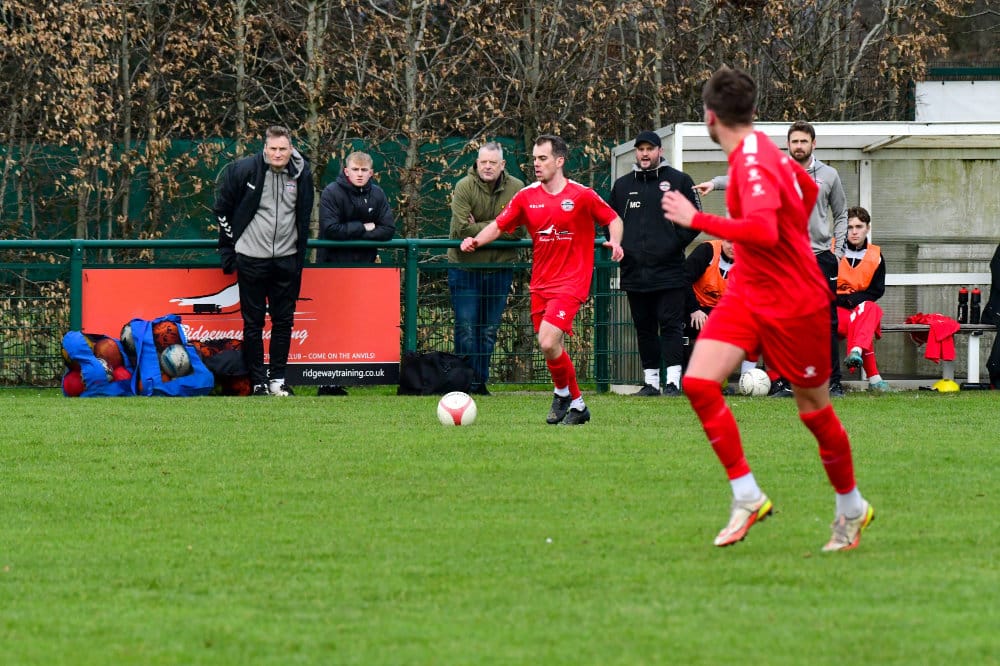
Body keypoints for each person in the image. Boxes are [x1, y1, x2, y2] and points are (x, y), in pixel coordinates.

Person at [661, 66, 874, 552]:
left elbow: (762, 229)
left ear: (709, 118)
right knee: (699, 382)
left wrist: (699, 220)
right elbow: (805, 193)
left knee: (813, 410)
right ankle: (747, 496)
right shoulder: (765, 156)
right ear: (753, 113)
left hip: (795, 299)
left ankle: (851, 507)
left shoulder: (753, 164)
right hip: (749, 291)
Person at [461, 134, 624, 425]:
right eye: (534, 158)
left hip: (572, 281)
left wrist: (615, 241)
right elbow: (499, 226)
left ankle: (561, 392)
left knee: (548, 341)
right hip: (541, 283)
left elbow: (613, 219)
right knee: (551, 346)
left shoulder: (581, 194)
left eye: (543, 158)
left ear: (559, 161)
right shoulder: (526, 196)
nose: (536, 163)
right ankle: (578, 405)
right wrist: (475, 240)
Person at [695, 120, 848, 397]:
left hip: (819, 257)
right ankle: (788, 383)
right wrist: (715, 184)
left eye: (803, 141)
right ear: (787, 145)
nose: (799, 146)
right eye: (794, 141)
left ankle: (833, 383)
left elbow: (841, 214)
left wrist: (837, 254)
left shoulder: (829, 175)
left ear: (813, 144)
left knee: (826, 323)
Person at [215, 125, 314, 397]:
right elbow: (222, 210)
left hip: (287, 259)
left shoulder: (302, 173)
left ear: (291, 149)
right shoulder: (244, 170)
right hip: (251, 259)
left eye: (283, 149)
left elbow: (304, 215)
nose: (277, 154)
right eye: (273, 148)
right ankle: (258, 382)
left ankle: (278, 380)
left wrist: (298, 256)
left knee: (284, 322)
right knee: (253, 323)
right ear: (265, 148)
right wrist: (231, 249)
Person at [609, 130, 701, 397]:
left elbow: (696, 219)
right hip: (634, 271)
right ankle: (651, 383)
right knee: (644, 327)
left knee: (671, 324)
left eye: (650, 149)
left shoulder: (679, 180)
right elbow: (609, 220)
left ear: (660, 151)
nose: (645, 154)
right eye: (641, 149)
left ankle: (673, 382)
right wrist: (621, 246)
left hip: (670, 270)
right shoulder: (622, 186)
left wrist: (673, 243)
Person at [447, 142, 526, 396]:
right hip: (465, 269)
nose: (488, 166)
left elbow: (519, 231)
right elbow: (461, 229)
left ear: (502, 165)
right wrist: (501, 225)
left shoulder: (517, 188)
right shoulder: (463, 186)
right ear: (477, 163)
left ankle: (479, 383)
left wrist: (481, 226)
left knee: (489, 330)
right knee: (466, 328)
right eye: (483, 162)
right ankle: (462, 385)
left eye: (493, 162)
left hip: (499, 270)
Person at [317, 151, 396, 395]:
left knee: (356, 323)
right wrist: (364, 227)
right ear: (346, 171)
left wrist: (354, 231)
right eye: (355, 169)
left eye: (364, 170)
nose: (359, 174)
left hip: (364, 270)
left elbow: (388, 229)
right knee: (331, 324)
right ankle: (327, 382)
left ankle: (350, 377)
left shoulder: (378, 194)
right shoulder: (331, 192)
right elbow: (330, 229)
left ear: (371, 173)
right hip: (331, 268)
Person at [684, 239, 758, 381]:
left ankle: (747, 379)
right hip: (697, 308)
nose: (733, 247)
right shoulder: (707, 251)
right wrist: (694, 309)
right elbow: (684, 279)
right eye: (730, 242)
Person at [837, 206, 891, 392]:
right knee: (864, 324)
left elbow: (877, 290)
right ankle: (874, 378)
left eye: (859, 227)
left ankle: (856, 351)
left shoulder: (876, 256)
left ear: (867, 228)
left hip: (859, 308)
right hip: (834, 309)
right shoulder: (832, 250)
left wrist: (853, 300)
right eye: (849, 227)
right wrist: (844, 300)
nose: (854, 232)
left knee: (871, 309)